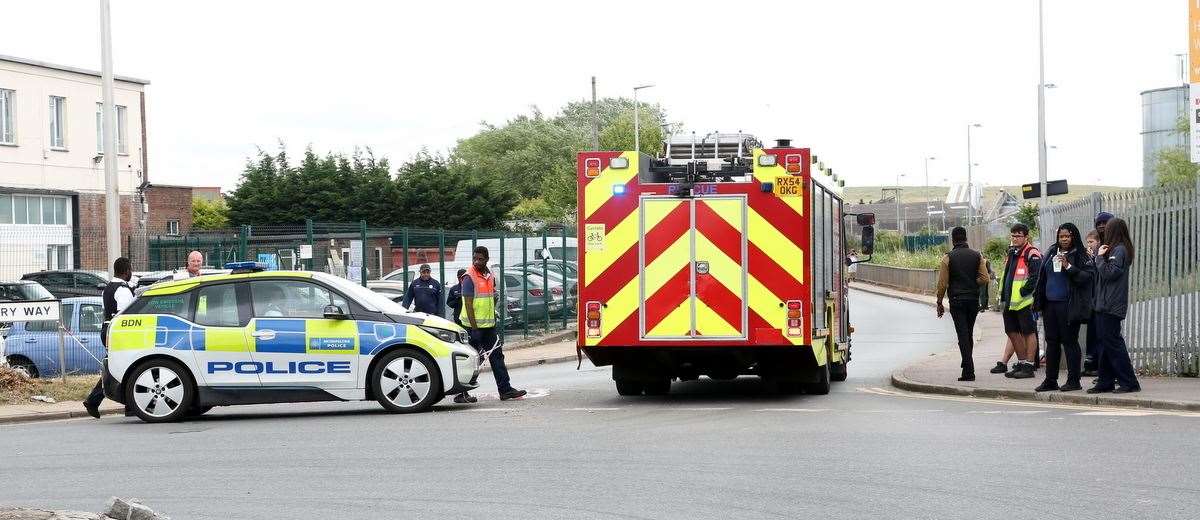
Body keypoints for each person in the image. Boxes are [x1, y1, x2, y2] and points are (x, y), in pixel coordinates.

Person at [1032, 223, 1093, 392]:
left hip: (1068, 305)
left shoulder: (1080, 255)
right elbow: (1042, 277)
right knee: (1051, 342)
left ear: (1073, 237)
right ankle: (1051, 380)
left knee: (1069, 342)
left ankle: (1074, 380)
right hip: (1050, 304)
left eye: (1067, 236)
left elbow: (1087, 278)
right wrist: (1038, 301)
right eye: (1061, 236)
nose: (1064, 239)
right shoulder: (1052, 251)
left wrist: (1068, 266)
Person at [460, 247, 526, 401]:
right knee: (472, 360)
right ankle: (461, 393)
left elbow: (489, 297)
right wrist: (474, 329)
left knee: (497, 356)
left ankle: (505, 389)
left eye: (480, 259)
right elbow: (468, 305)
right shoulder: (469, 277)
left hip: (489, 326)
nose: (476, 262)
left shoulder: (490, 275)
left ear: (487, 259)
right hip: (473, 327)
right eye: (474, 258)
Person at [1088, 218, 1141, 394]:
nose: (1104, 232)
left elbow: (1110, 274)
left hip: (1111, 305)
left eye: (1107, 229)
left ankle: (1129, 382)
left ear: (1113, 231)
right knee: (1105, 343)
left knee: (1113, 343)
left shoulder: (1119, 250)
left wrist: (1099, 258)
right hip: (1104, 304)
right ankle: (1105, 381)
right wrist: (1098, 257)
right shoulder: (1114, 249)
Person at [83, 257, 137, 419]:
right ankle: (93, 401)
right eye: (131, 269)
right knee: (119, 367)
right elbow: (124, 315)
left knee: (125, 366)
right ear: (127, 271)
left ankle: (130, 406)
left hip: (107, 329)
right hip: (119, 331)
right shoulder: (123, 289)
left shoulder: (108, 288)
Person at [935, 227, 990, 381]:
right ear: (966, 238)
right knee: (968, 333)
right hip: (973, 300)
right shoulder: (977, 256)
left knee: (962, 334)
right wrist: (973, 283)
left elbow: (942, 284)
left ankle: (968, 370)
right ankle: (967, 366)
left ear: (953, 240)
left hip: (957, 300)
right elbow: (985, 279)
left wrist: (939, 302)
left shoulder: (948, 258)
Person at [996, 223, 1041, 379]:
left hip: (1024, 302)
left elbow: (1036, 277)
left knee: (1028, 332)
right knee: (1011, 331)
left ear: (1026, 237)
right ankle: (1021, 363)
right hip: (1009, 301)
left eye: (1018, 235)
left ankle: (1029, 365)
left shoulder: (1032, 253)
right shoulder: (1013, 252)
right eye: (1013, 235)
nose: (1015, 238)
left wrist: (1024, 292)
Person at [1082, 212, 1112, 376]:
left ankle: (1106, 371)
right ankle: (1095, 366)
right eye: (1098, 223)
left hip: (1107, 300)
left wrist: (1096, 260)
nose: (1101, 225)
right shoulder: (1094, 254)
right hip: (1095, 300)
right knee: (1094, 334)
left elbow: (1107, 273)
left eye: (1104, 222)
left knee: (1107, 337)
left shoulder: (1112, 247)